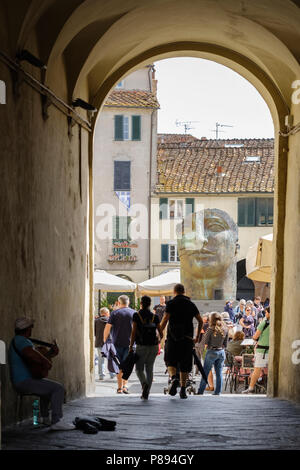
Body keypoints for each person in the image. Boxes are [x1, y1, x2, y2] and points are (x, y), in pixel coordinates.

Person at [8, 317, 73, 430]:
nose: (32, 329)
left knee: (47, 389)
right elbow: (30, 355)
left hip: (25, 380)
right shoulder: (20, 340)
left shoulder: (20, 341)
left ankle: (45, 417)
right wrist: (46, 361)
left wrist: (50, 354)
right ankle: (56, 421)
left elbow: (33, 361)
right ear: (28, 329)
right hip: (24, 381)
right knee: (58, 389)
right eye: (31, 327)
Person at [160, 283, 203, 399]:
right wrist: (197, 337)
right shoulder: (190, 304)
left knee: (170, 361)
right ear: (184, 292)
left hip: (173, 339)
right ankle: (183, 389)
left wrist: (159, 334)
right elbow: (200, 321)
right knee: (185, 364)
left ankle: (174, 378)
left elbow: (164, 320)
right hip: (187, 339)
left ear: (174, 292)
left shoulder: (171, 304)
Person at [129, 296, 163, 400]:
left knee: (139, 369)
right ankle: (146, 393)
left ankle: (144, 384)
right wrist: (158, 341)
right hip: (153, 346)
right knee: (150, 369)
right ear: (149, 304)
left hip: (141, 345)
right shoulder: (155, 316)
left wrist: (131, 346)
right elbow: (161, 333)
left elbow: (134, 332)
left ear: (141, 303)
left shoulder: (137, 315)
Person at [103, 295, 135, 394]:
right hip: (130, 344)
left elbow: (107, 328)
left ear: (118, 302)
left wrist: (105, 340)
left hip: (116, 344)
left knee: (119, 366)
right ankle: (125, 386)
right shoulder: (134, 313)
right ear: (128, 302)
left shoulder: (114, 313)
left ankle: (119, 387)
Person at [197, 312, 228, 396]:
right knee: (219, 373)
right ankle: (217, 392)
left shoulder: (210, 329)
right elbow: (226, 344)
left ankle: (200, 391)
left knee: (205, 372)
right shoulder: (225, 329)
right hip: (221, 352)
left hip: (211, 351)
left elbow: (204, 342)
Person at [243, 307, 270, 394]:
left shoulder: (264, 323)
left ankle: (251, 388)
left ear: (269, 313)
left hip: (262, 350)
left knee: (257, 369)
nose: (265, 314)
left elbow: (255, 336)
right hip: (271, 350)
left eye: (266, 312)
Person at [95, 308, 115, 380]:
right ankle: (112, 374)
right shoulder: (111, 321)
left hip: (99, 342)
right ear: (106, 313)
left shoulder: (96, 321)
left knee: (101, 359)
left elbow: (94, 332)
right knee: (111, 358)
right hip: (109, 342)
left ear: (101, 313)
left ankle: (101, 375)